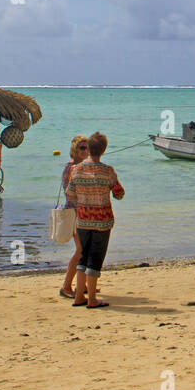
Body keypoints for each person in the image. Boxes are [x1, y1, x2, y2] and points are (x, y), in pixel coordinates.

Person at [67, 132, 126, 309]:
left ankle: (79, 296)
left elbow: (70, 194)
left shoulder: (76, 170)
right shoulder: (107, 171)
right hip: (102, 222)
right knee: (95, 259)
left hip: (83, 220)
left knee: (83, 258)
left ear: (89, 149)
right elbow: (119, 194)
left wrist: (84, 197)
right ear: (103, 150)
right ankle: (91, 299)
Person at [58, 135, 88, 299]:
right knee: (81, 250)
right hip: (75, 213)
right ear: (75, 150)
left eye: (88, 147)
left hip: (83, 212)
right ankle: (66, 286)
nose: (86, 151)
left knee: (85, 250)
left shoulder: (80, 166)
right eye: (82, 148)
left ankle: (82, 285)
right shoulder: (72, 167)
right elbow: (71, 192)